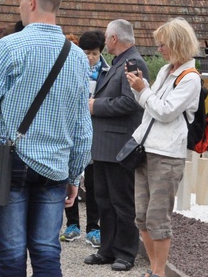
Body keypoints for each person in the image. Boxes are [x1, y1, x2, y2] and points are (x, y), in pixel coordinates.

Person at [0, 0, 92, 277]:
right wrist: (75, 175)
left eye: (19, 1)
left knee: (11, 254)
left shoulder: (10, 46)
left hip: (10, 161)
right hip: (56, 166)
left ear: (31, 1)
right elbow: (82, 126)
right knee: (47, 250)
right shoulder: (78, 57)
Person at [126, 17, 200, 277]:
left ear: (177, 44)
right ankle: (154, 270)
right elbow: (150, 105)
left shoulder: (191, 79)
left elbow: (165, 111)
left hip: (167, 155)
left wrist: (143, 92)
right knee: (142, 217)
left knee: (158, 218)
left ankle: (159, 273)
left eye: (163, 44)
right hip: (147, 150)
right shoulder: (166, 71)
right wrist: (140, 89)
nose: (159, 49)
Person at [84, 20, 149, 272]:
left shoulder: (133, 63)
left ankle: (125, 252)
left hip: (119, 145)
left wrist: (95, 105)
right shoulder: (120, 62)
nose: (105, 42)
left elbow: (131, 103)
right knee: (104, 201)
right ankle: (107, 250)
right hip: (105, 145)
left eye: (107, 38)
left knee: (122, 203)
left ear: (113, 39)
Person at [60, 30, 104, 246]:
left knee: (94, 182)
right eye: (86, 52)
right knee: (72, 177)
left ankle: (94, 227)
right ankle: (72, 223)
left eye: (94, 53)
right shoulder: (71, 68)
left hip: (96, 132)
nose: (90, 57)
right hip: (73, 131)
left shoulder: (107, 71)